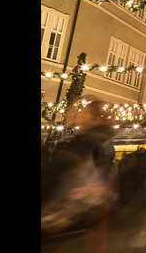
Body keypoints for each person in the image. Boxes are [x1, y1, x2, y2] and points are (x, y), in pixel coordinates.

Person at [42, 100, 116, 253]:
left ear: (96, 119)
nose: (80, 117)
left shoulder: (86, 139)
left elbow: (63, 166)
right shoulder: (107, 141)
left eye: (84, 114)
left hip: (71, 204)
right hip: (96, 203)